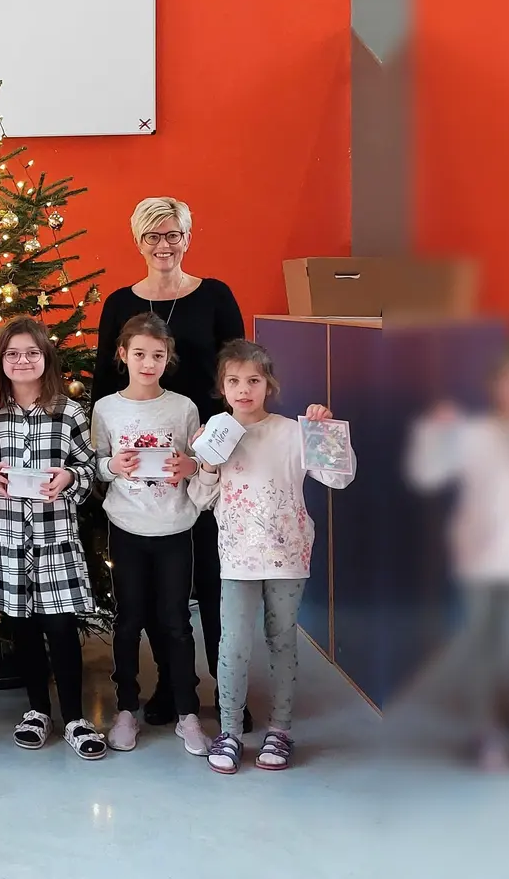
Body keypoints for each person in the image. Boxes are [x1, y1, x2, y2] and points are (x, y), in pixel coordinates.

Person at [92, 196, 248, 731]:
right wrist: (115, 457)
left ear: (187, 237)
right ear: (137, 241)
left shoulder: (216, 296)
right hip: (143, 473)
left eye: (172, 235)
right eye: (152, 236)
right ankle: (168, 687)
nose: (163, 245)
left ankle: (228, 692)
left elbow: (239, 370)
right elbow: (102, 385)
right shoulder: (118, 303)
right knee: (162, 590)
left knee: (213, 579)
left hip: (207, 458)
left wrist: (213, 448)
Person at [189, 340, 356, 774]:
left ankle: (279, 730)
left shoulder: (291, 432)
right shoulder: (216, 433)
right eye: (233, 381)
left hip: (287, 557)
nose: (243, 389)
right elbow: (200, 499)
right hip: (237, 559)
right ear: (222, 387)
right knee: (234, 644)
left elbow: (339, 477)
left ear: (268, 384)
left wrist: (325, 429)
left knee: (282, 640)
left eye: (253, 380)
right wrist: (206, 464)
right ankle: (228, 731)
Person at [407, 343, 509, 772]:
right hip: (477, 559)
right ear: (495, 386)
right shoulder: (473, 434)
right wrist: (436, 432)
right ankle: (486, 735)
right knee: (483, 648)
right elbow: (426, 475)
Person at [0, 317, 102, 759]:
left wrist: (69, 477)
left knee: (61, 628)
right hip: (8, 538)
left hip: (55, 539)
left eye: (31, 352)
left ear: (45, 358)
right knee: (22, 627)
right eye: (13, 354)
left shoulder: (69, 412)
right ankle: (37, 711)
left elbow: (89, 472)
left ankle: (76, 718)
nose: (22, 360)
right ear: (1, 362)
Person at [89, 313, 209, 757]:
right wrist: (111, 466)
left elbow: (197, 464)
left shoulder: (182, 407)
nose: (148, 362)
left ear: (168, 358)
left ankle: (187, 713)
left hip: (175, 528)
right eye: (139, 353)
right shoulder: (106, 408)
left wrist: (191, 465)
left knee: (177, 623)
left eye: (158, 355)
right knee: (128, 618)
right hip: (127, 527)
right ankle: (125, 710)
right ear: (123, 355)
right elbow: (97, 463)